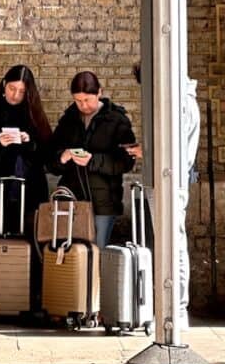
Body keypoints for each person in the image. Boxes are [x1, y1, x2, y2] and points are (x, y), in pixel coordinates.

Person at [125, 64, 201, 330]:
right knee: (172, 243)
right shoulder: (183, 101)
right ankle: (174, 308)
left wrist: (145, 152)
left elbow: (172, 150)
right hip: (168, 182)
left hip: (169, 183)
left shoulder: (178, 104)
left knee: (173, 244)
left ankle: (176, 309)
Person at [47, 71, 136, 248]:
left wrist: (93, 160)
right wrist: (62, 157)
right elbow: (50, 161)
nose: (83, 105)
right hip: (71, 201)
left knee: (97, 253)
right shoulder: (68, 120)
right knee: (71, 255)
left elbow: (127, 161)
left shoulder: (117, 120)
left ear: (99, 93)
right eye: (78, 101)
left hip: (103, 203)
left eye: (87, 100)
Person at [0, 65, 52, 236]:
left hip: (29, 189)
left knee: (26, 241)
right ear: (4, 85)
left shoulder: (32, 114)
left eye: (21, 91)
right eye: (12, 89)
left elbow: (47, 152)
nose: (15, 95)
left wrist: (29, 141)